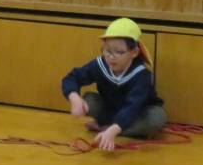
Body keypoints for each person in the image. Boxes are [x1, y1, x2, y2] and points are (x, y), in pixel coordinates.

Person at [60, 18, 168, 151]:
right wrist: (74, 97)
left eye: (119, 52)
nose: (111, 57)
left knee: (157, 118)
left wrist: (113, 130)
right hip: (111, 108)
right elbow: (72, 78)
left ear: (134, 52)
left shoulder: (141, 75)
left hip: (137, 113)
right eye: (107, 50)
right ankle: (113, 128)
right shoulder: (99, 65)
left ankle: (109, 128)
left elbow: (132, 106)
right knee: (89, 99)